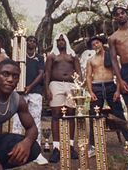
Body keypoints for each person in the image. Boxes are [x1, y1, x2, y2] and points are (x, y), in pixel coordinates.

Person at [86, 36, 128, 155]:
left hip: (110, 86)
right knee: (93, 115)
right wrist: (91, 92)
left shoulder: (110, 57)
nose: (95, 45)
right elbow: (88, 77)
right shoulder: (91, 60)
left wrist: (117, 91)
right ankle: (92, 146)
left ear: (102, 44)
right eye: (93, 44)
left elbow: (117, 74)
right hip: (96, 87)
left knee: (119, 114)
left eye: (97, 43)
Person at [11, 36, 48, 165]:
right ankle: (15, 151)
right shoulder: (19, 56)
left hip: (35, 92)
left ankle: (36, 153)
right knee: (17, 121)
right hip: (19, 92)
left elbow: (41, 74)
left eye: (33, 41)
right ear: (26, 43)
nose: (31, 42)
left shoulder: (39, 58)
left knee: (35, 121)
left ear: (36, 44)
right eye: (29, 41)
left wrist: (30, 87)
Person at [45, 33, 81, 163]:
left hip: (72, 85)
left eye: (62, 40)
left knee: (71, 114)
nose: (60, 42)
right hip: (56, 84)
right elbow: (47, 72)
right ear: (55, 42)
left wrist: (80, 88)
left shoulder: (73, 55)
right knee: (56, 114)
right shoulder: (52, 55)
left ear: (66, 41)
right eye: (58, 40)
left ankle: (70, 147)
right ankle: (56, 147)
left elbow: (78, 72)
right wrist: (47, 89)